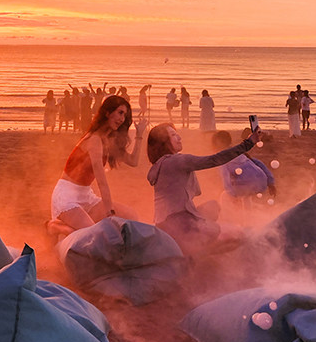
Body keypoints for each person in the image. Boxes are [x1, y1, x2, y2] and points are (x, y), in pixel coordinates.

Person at [146, 123, 260, 253]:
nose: (179, 137)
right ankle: (202, 253)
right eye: (173, 135)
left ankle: (204, 246)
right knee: (236, 235)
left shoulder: (160, 164)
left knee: (212, 207)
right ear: (164, 143)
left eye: (177, 133)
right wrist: (249, 143)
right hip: (179, 224)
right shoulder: (176, 161)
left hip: (165, 224)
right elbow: (215, 159)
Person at [50, 95, 146, 231]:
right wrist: (109, 213)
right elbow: (102, 182)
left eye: (124, 115)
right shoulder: (94, 140)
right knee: (94, 234)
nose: (122, 119)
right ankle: (53, 226)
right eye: (120, 113)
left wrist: (139, 135)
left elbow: (133, 161)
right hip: (67, 196)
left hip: (86, 196)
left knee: (131, 215)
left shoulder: (108, 141)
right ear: (107, 113)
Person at [212, 130, 276, 205]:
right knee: (245, 195)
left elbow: (225, 178)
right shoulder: (239, 152)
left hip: (249, 184)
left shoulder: (222, 158)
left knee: (225, 196)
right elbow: (259, 163)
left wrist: (232, 195)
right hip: (262, 182)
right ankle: (248, 213)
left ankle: (225, 215)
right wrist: (270, 182)